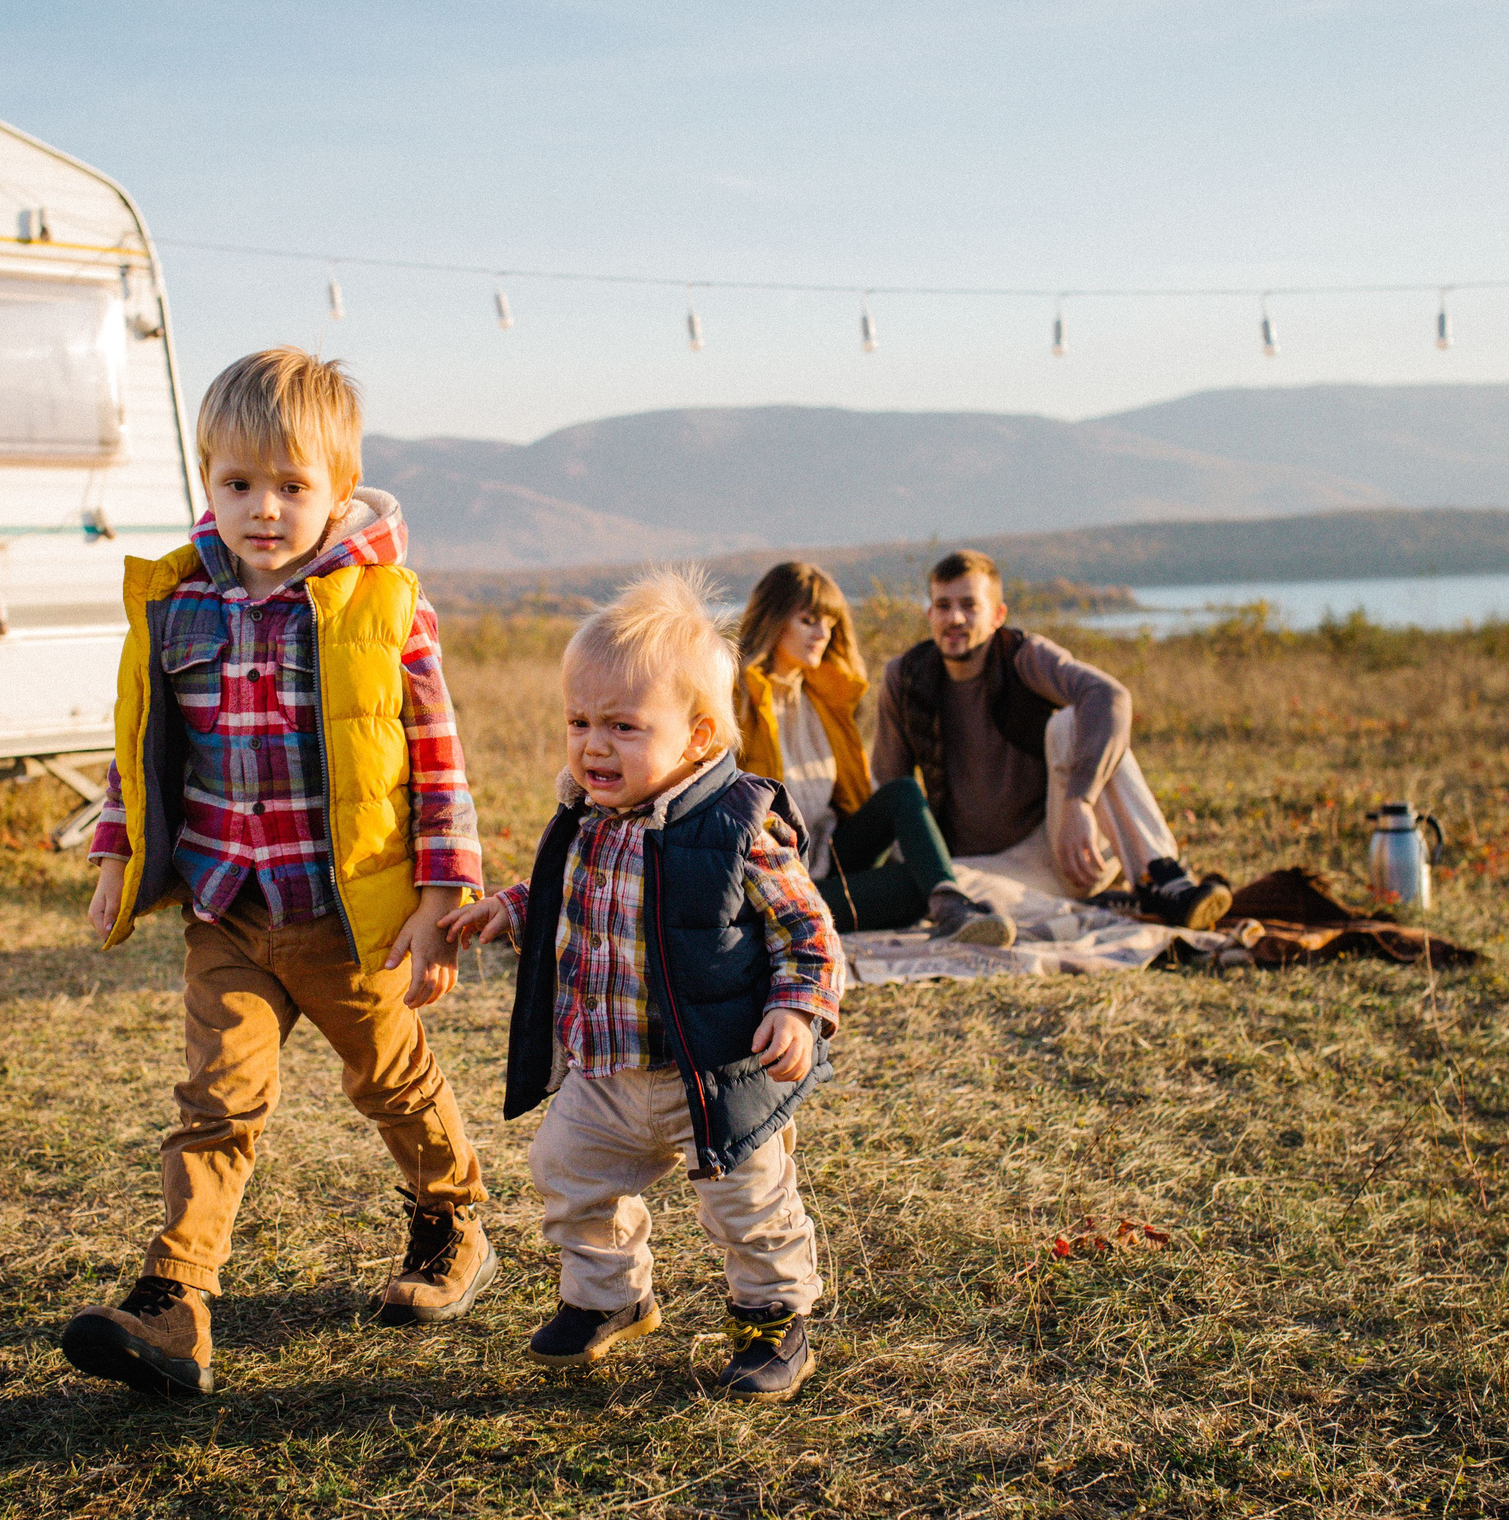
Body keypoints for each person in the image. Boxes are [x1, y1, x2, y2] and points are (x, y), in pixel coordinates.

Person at [59, 347, 492, 1400]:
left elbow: (436, 757)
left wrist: (443, 897)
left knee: (387, 1077)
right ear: (207, 478)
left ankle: (451, 1222)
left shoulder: (379, 606)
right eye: (238, 484)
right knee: (215, 1101)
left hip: (343, 915)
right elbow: (146, 745)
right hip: (227, 908)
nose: (263, 510)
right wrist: (115, 845)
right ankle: (174, 1301)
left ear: (338, 489)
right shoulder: (179, 603)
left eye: (291, 487)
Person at [442, 570, 843, 1402]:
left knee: (748, 1202)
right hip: (607, 1070)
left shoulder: (738, 827)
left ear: (698, 736)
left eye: (623, 726)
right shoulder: (584, 818)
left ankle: (772, 1320)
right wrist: (513, 908)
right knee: (565, 1170)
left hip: (716, 1071)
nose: (593, 745)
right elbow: (569, 898)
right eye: (579, 722)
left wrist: (799, 1008)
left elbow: (809, 930)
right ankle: (609, 1295)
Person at [872, 550, 1231, 929]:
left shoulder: (1023, 656)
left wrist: (1079, 800)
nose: (954, 618)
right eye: (943, 606)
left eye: (969, 605)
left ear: (998, 616)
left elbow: (1110, 697)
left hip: (1068, 845)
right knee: (936, 889)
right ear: (930, 615)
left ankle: (1161, 878)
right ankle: (1099, 908)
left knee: (1076, 722)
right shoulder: (906, 677)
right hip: (984, 867)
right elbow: (890, 787)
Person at [733, 561, 1016, 946]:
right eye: (808, 620)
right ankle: (944, 906)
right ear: (774, 619)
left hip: (828, 855)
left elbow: (852, 798)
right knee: (915, 887)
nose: (822, 634)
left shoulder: (825, 697)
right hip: (775, 880)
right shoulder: (735, 699)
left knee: (902, 794)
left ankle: (950, 906)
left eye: (830, 623)